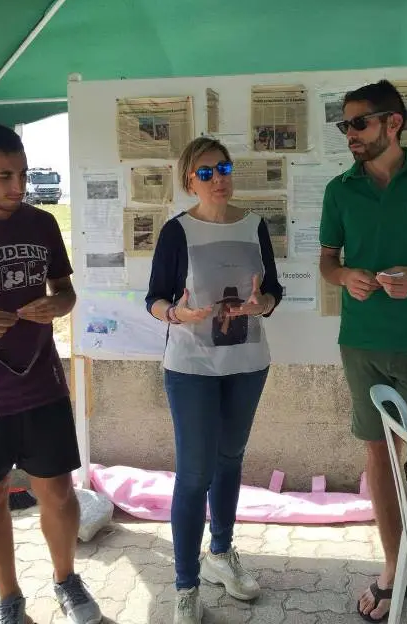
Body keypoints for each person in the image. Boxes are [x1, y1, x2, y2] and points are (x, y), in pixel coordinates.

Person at [318, 80, 407, 623]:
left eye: (358, 124)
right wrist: (347, 275)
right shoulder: (340, 190)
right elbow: (328, 262)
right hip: (361, 343)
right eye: (344, 126)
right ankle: (392, 566)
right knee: (378, 453)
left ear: (392, 123)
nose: (349, 135)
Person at [0, 124, 101, 624]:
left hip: (40, 384)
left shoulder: (40, 224)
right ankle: (8, 597)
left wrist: (57, 305)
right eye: (4, 176)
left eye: (22, 173)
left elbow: (66, 290)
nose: (18, 186)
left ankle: (67, 580)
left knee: (57, 491)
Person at [146, 136, 282, 624]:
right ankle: (186, 584)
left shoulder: (254, 225)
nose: (217, 179)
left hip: (248, 364)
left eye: (222, 169)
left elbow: (272, 292)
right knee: (195, 473)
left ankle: (221, 556)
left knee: (229, 461)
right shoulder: (176, 232)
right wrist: (177, 314)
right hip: (192, 369)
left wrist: (259, 304)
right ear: (189, 180)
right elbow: (155, 298)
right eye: (205, 172)